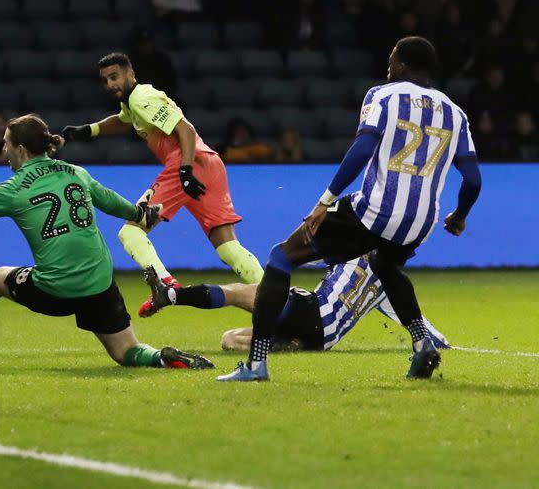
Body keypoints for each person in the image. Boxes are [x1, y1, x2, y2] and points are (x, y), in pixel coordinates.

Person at [217, 36, 482, 382]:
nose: (388, 66)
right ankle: (421, 343)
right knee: (384, 265)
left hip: (376, 210)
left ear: (402, 64)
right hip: (421, 221)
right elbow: (473, 180)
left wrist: (325, 201)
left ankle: (255, 365)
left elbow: (361, 150)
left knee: (281, 256)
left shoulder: (382, 95)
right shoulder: (455, 113)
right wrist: (459, 215)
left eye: (391, 59)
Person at [0, 114, 213, 371]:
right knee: (126, 353)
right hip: (100, 282)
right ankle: (161, 358)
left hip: (56, 290)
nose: (3, 152)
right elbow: (115, 204)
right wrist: (143, 214)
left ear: (19, 149)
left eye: (5, 145)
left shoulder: (12, 190)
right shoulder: (77, 173)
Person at [62, 52, 263, 315]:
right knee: (227, 247)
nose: (110, 84)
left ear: (130, 74)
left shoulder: (142, 99)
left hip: (185, 164)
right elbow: (123, 121)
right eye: (105, 80)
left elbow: (186, 130)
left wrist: (186, 171)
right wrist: (90, 130)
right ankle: (276, 296)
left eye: (115, 77)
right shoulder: (133, 102)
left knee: (131, 232)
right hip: (209, 164)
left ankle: (166, 286)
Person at [140, 253, 450, 353]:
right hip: (321, 338)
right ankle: (287, 343)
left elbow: (303, 251)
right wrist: (439, 341)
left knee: (236, 292)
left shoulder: (350, 248)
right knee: (229, 339)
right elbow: (414, 321)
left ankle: (172, 295)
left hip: (311, 311)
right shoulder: (387, 287)